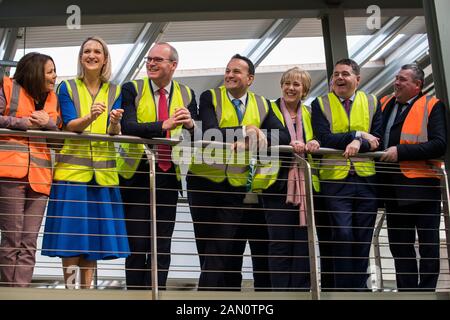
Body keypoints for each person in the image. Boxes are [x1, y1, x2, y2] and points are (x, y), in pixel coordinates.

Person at [187, 54, 290, 290]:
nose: (229, 75)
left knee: (221, 246)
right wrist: (246, 129)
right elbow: (210, 132)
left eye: (236, 72)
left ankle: (206, 297)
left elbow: (283, 136)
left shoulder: (263, 104)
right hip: (202, 182)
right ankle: (213, 295)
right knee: (206, 246)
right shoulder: (210, 96)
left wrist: (256, 137)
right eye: (228, 70)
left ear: (250, 78)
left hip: (235, 185)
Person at [41, 36, 129, 289]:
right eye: (87, 51)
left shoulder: (115, 90)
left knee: (91, 242)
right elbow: (69, 124)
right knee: (70, 240)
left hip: (103, 176)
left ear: (104, 59)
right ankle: (70, 290)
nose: (91, 55)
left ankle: (86, 291)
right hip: (72, 174)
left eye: (97, 52)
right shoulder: (67, 88)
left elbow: (114, 131)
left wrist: (114, 122)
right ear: (81, 58)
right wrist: (90, 117)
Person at [118, 42, 197, 290]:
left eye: (157, 60)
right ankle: (135, 296)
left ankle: (157, 294)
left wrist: (191, 125)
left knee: (162, 244)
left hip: (167, 177)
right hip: (136, 175)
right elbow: (128, 126)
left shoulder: (187, 93)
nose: (150, 63)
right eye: (148, 59)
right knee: (138, 244)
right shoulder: (132, 88)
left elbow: (200, 136)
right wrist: (165, 123)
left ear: (173, 65)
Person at [311, 58, 382, 290]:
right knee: (342, 233)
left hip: (365, 180)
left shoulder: (372, 101)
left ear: (357, 79)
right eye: (335, 74)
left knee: (363, 237)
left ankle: (358, 290)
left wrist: (358, 144)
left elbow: (379, 139)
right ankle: (344, 291)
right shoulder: (320, 104)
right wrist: (358, 135)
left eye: (345, 74)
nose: (339, 78)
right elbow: (324, 138)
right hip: (334, 181)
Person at [379, 64, 447, 291]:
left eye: (403, 80)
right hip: (392, 188)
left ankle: (426, 292)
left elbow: (439, 145)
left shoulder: (432, 106)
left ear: (417, 85)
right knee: (399, 246)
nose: (396, 83)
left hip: (422, 186)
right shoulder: (384, 103)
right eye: (396, 78)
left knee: (428, 245)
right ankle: (407, 293)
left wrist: (401, 151)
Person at [0, 52, 60, 287]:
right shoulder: (6, 86)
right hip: (9, 173)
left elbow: (58, 141)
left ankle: (21, 291)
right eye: (50, 71)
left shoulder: (52, 99)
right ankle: (7, 291)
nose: (54, 76)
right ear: (36, 72)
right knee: (12, 239)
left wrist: (50, 125)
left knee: (29, 241)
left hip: (40, 178)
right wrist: (21, 123)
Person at [261, 67, 320, 291]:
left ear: (304, 90)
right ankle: (281, 294)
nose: (290, 88)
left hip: (305, 188)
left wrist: (313, 141)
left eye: (296, 84)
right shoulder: (269, 109)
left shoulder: (310, 113)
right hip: (277, 186)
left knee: (303, 245)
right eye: (287, 83)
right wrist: (287, 143)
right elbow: (262, 134)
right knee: (280, 244)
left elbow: (318, 136)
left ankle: (301, 293)